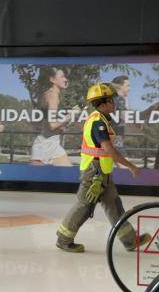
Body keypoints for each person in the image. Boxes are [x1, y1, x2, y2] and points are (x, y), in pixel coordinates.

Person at [56, 83, 151, 253]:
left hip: (103, 172)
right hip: (94, 173)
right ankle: (63, 240)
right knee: (84, 206)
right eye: (112, 101)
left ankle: (130, 241)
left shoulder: (102, 120)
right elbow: (109, 150)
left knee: (114, 206)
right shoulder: (97, 122)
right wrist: (130, 166)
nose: (114, 104)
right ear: (104, 102)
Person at [30, 67, 78, 166]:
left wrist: (61, 126)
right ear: (52, 80)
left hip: (53, 144)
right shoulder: (52, 95)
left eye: (65, 77)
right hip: (44, 146)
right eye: (62, 77)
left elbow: (49, 123)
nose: (65, 79)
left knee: (69, 176)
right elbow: (52, 125)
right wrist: (71, 114)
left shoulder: (51, 94)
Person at [111, 75, 131, 149]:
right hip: (117, 134)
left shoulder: (111, 98)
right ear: (120, 87)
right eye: (128, 86)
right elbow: (123, 116)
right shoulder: (121, 99)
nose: (129, 89)